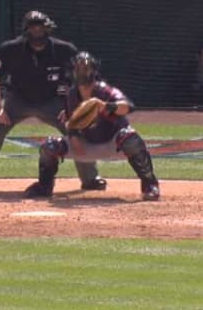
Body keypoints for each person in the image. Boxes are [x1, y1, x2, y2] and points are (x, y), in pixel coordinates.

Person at [0, 11, 103, 194]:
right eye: (33, 28)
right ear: (26, 31)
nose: (37, 32)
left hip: (53, 101)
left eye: (41, 27)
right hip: (17, 100)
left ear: (48, 29)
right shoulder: (10, 49)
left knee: (78, 125)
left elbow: (82, 81)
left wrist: (73, 108)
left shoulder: (65, 50)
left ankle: (90, 178)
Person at [24, 51, 161, 201]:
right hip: (86, 145)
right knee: (49, 146)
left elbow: (128, 107)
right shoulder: (71, 94)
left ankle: (150, 185)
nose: (82, 72)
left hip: (113, 143)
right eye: (78, 68)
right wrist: (74, 137)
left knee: (131, 139)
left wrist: (106, 106)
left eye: (86, 68)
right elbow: (72, 122)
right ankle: (44, 187)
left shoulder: (105, 91)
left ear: (94, 70)